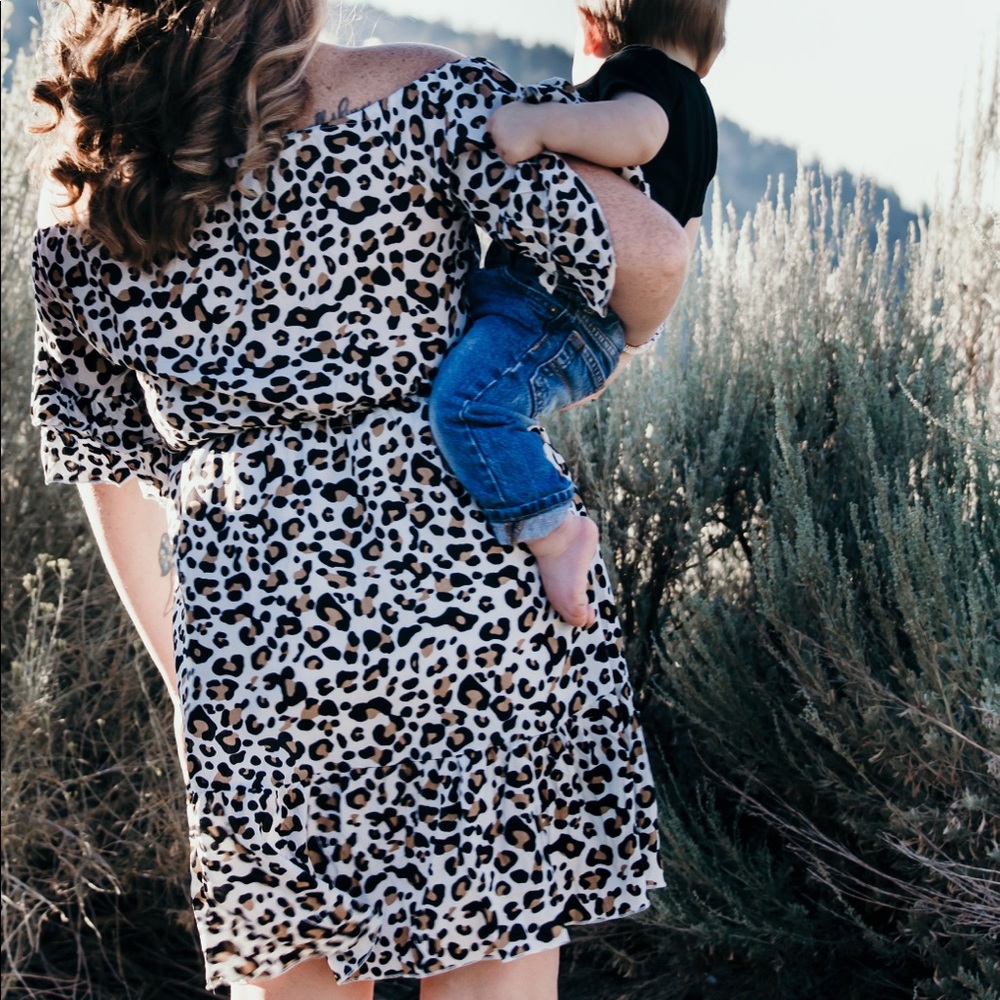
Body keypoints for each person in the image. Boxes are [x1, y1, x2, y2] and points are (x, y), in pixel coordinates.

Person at [29, 0, 690, 997]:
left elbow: (108, 464)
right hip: (462, 601)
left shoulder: (87, 185)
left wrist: (194, 671)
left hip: (253, 631)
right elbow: (652, 258)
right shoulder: (418, 92)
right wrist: (570, 355)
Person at [429, 0, 725, 629]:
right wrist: (629, 340)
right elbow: (680, 240)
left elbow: (637, 129)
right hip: (585, 324)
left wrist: (540, 126)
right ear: (714, 48)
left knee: (469, 403)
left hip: (550, 309)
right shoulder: (697, 115)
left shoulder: (642, 73)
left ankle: (556, 534)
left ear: (598, 24)